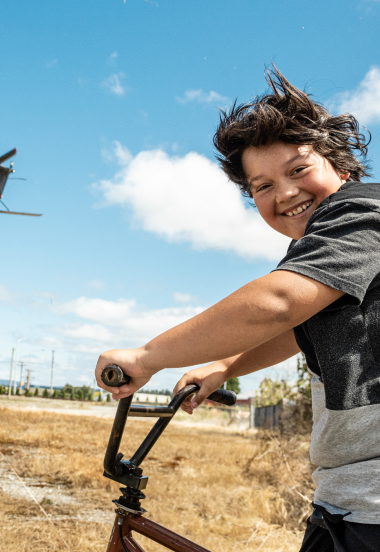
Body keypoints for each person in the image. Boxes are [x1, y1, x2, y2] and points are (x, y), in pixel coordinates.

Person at [95, 67, 380, 551]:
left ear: (342, 168)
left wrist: (148, 357)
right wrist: (225, 365)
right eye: (262, 186)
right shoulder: (327, 251)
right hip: (347, 502)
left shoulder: (361, 215)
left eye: (298, 170)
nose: (285, 193)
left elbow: (279, 303)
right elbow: (299, 323)